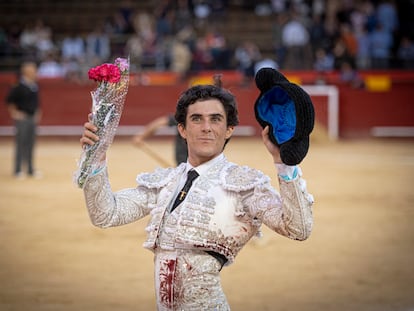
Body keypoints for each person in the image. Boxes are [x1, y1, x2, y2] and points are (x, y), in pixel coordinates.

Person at [79, 83, 314, 310]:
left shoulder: (243, 185)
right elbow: (105, 214)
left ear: (229, 129)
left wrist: (284, 164)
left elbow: (298, 229)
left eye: (215, 119)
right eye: (196, 119)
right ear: (182, 129)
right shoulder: (165, 183)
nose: (206, 127)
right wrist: (96, 155)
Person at [5, 61, 42, 179]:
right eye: (33, 70)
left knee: (31, 144)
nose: (35, 72)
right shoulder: (18, 86)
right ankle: (18, 170)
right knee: (21, 144)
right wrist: (15, 113)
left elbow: (36, 102)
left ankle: (30, 170)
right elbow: (9, 100)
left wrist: (37, 113)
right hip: (23, 118)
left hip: (32, 118)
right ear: (26, 72)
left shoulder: (34, 86)